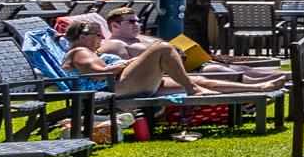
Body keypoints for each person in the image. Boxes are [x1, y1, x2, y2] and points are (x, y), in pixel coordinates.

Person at [62, 19, 277, 98]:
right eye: (97, 35)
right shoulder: (80, 52)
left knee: (198, 80)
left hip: (123, 83)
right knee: (163, 47)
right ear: (83, 37)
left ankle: (258, 90)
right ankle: (193, 90)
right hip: (112, 88)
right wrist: (126, 64)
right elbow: (99, 75)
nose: (101, 38)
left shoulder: (90, 50)